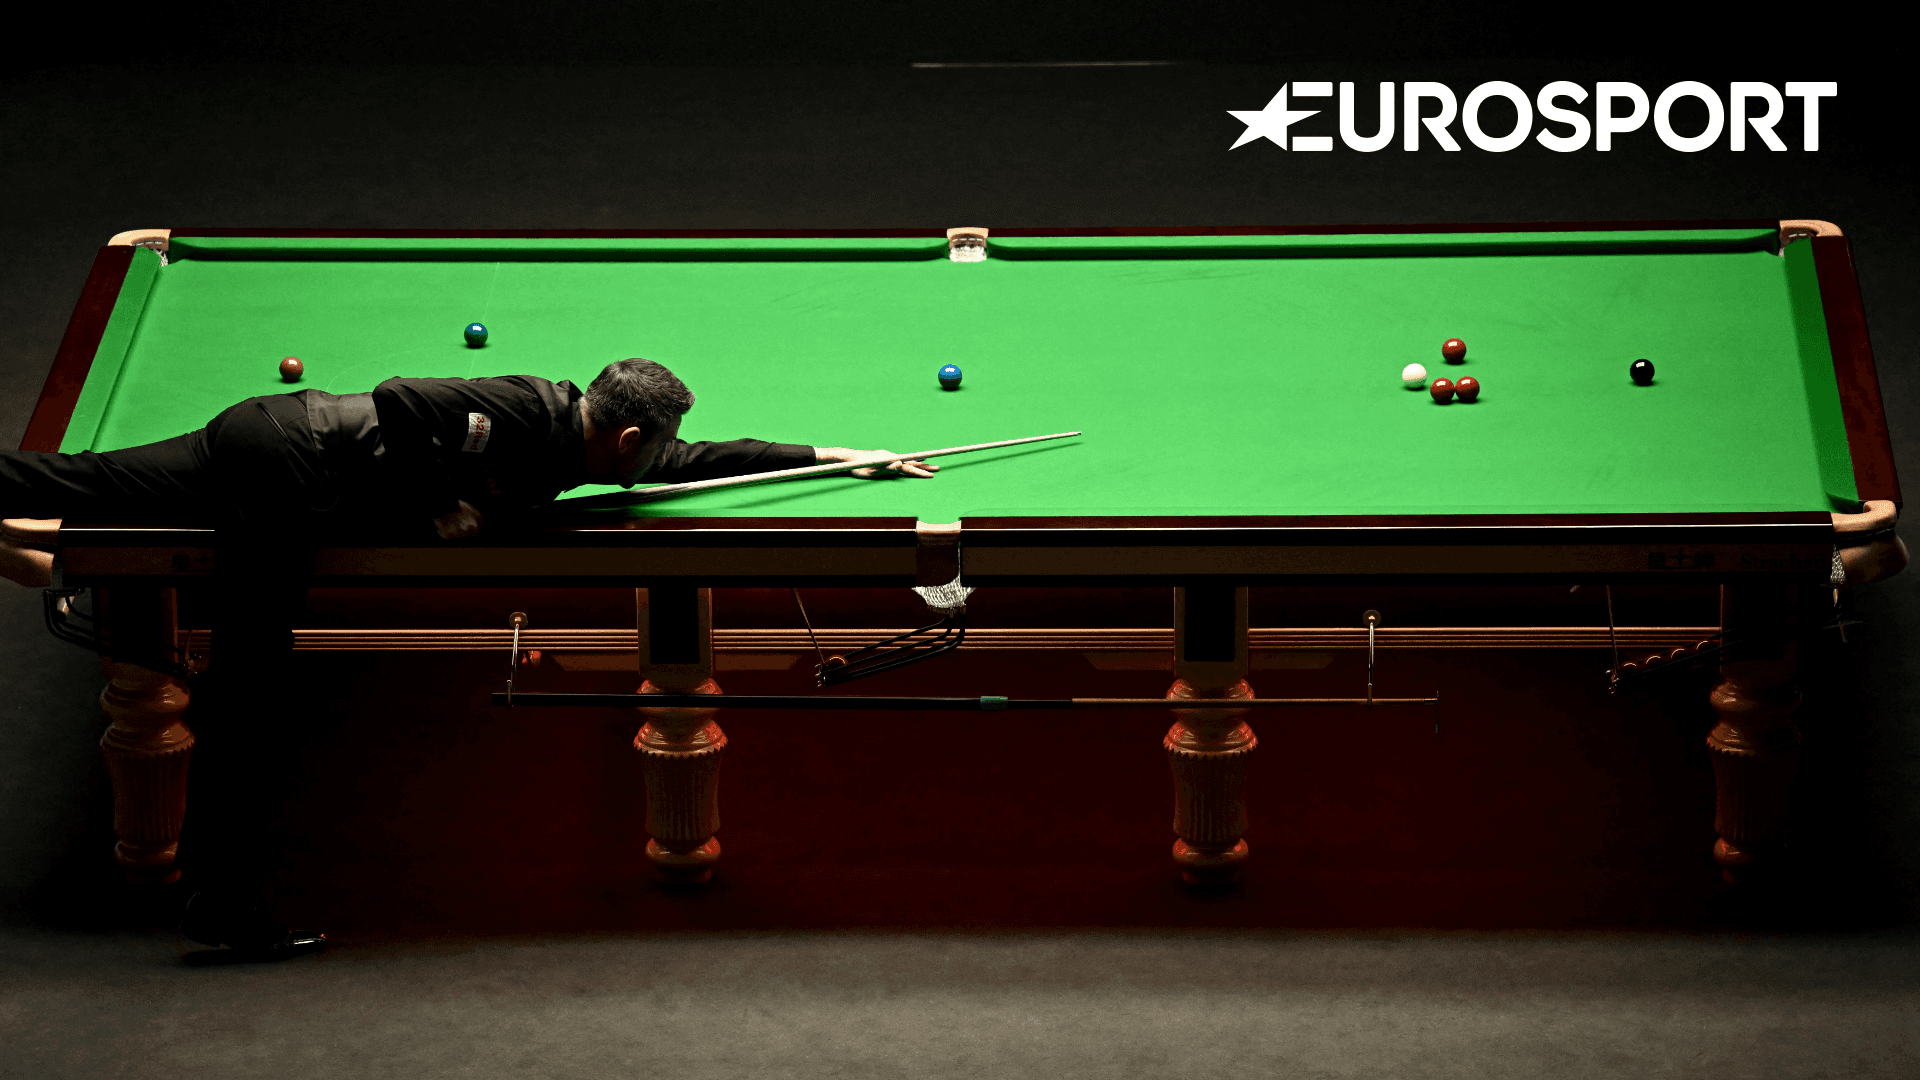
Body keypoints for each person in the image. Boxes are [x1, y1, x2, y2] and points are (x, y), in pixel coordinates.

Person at [0, 358, 935, 960]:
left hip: (265, 433)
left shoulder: (593, 439)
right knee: (250, 687)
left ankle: (31, 536)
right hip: (288, 470)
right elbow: (402, 400)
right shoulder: (526, 411)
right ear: (624, 438)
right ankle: (221, 906)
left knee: (88, 483)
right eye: (653, 450)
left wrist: (840, 454)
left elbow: (703, 460)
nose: (663, 460)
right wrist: (439, 504)